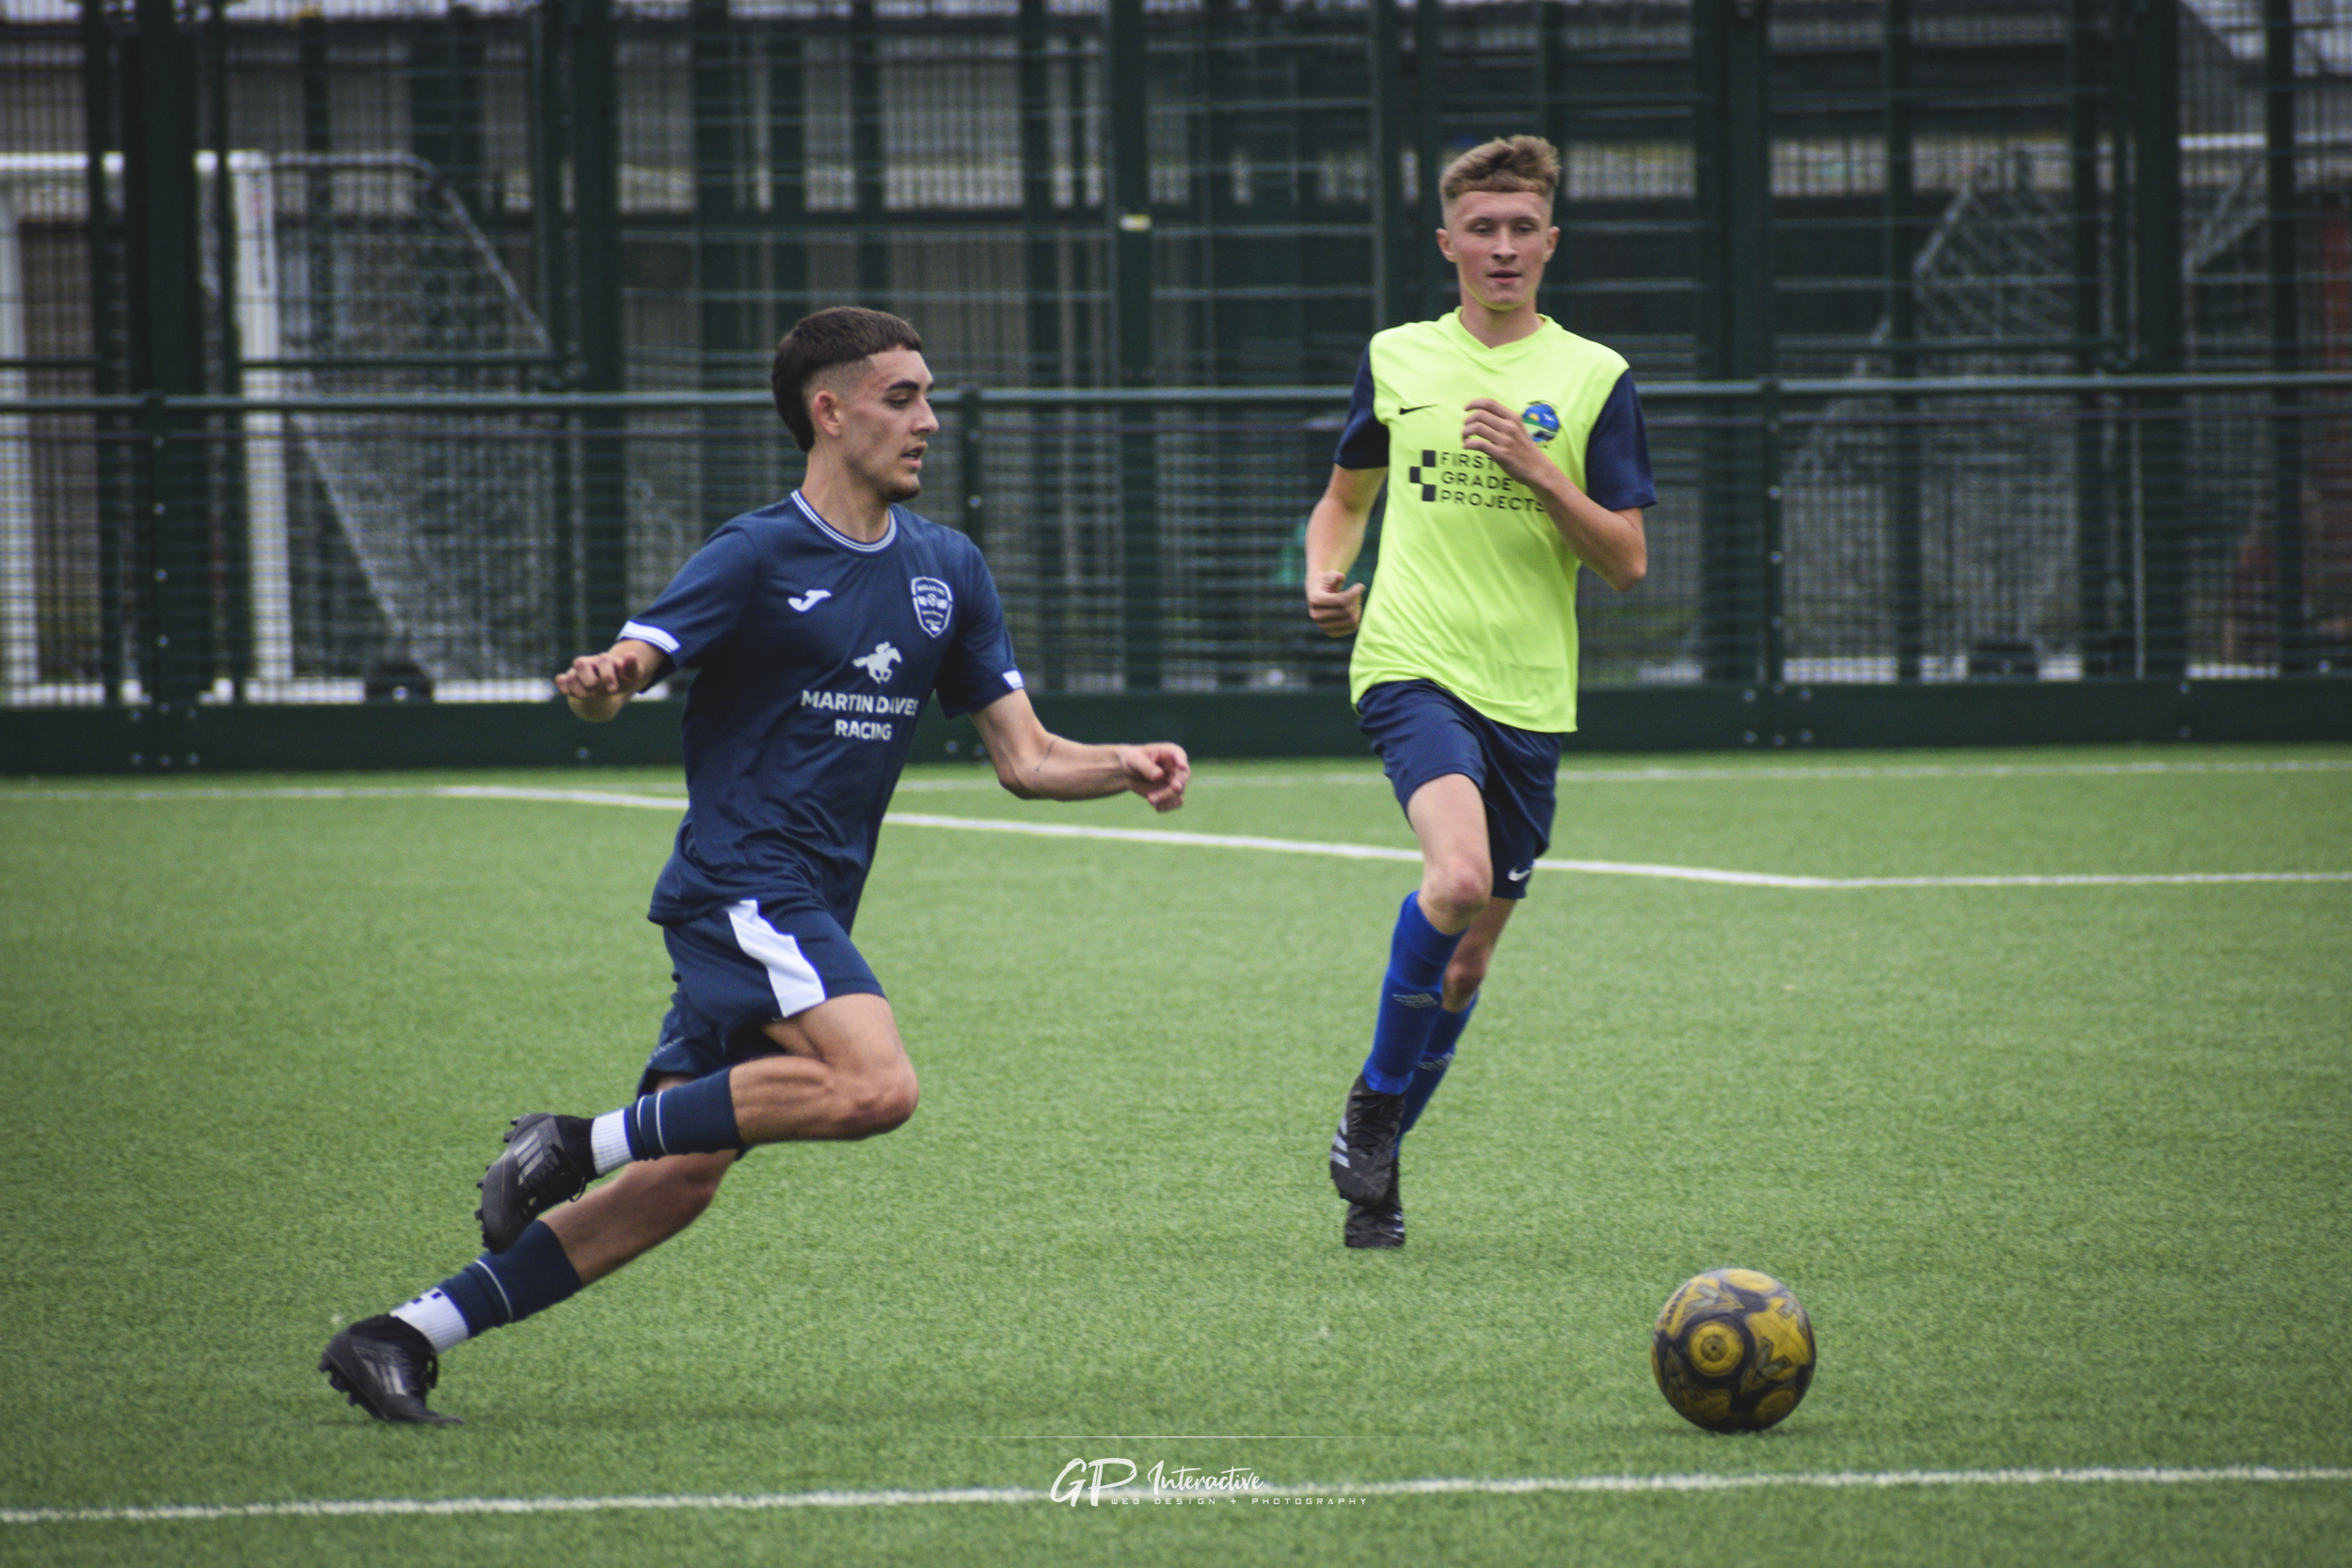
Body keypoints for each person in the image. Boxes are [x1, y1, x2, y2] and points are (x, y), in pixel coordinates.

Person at [320, 308, 1189, 1423]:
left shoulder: (947, 569)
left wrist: (1123, 762)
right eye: (901, 397)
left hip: (807, 897)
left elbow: (1025, 758)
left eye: (929, 395)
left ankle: (398, 1333)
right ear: (828, 412)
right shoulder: (756, 549)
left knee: (678, 1176)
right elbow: (639, 656)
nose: (929, 419)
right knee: (877, 1084)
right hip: (742, 881)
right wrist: (606, 679)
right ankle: (570, 1140)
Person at [1307, 136, 1653, 1249]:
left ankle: (1381, 1161)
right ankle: (1371, 1100)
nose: (1501, 248)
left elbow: (1627, 563)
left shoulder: (1594, 378)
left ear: (1550, 244)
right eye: (1482, 229)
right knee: (1452, 876)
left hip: (1530, 696)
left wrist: (1542, 470)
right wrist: (1327, 572)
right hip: (1410, 662)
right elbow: (1345, 496)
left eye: (1522, 229)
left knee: (1469, 958)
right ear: (1447, 242)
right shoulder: (1397, 355)